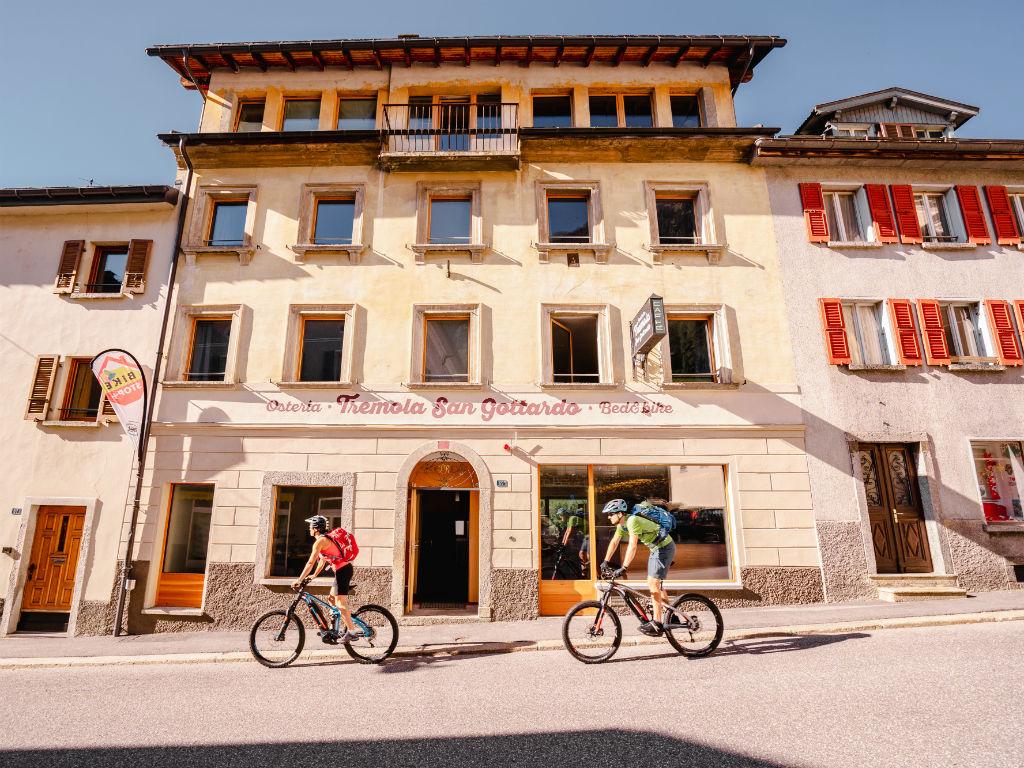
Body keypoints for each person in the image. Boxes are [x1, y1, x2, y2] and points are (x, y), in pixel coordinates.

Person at [599, 498, 676, 637]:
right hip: (656, 549)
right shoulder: (621, 525)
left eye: (611, 513)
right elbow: (614, 542)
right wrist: (605, 561)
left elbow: (632, 546)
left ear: (620, 513)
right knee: (656, 583)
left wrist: (624, 567)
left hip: (664, 547)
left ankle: (657, 623)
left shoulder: (632, 521)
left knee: (653, 582)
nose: (608, 516)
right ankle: (672, 615)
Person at [291, 515, 359, 640]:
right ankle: (335, 629)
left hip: (343, 571)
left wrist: (299, 580)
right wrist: (314, 576)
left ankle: (352, 632)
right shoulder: (324, 540)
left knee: (340, 603)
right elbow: (322, 560)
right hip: (342, 571)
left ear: (315, 528)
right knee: (331, 599)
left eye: (310, 526)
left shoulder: (320, 541)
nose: (309, 528)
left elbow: (310, 563)